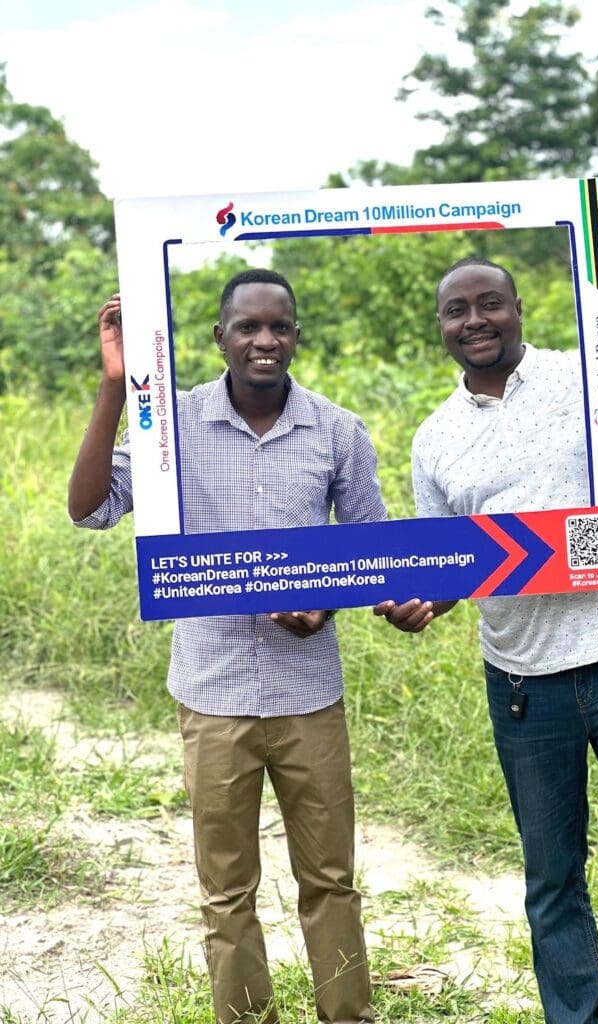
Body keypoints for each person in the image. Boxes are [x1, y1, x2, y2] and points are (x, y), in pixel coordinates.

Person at [374, 218, 598, 1024]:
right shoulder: (434, 439)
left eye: (490, 304)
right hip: (522, 687)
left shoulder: (593, 377)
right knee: (552, 879)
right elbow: (454, 565)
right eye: (456, 311)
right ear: (439, 328)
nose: (474, 320)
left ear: (519, 310)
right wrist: (422, 600)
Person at [69, 269, 384, 1024]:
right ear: (221, 338)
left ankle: (350, 1016)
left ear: (297, 336)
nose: (265, 340)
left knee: (331, 879)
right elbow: (89, 508)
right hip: (212, 696)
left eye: (279, 326)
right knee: (226, 890)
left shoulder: (338, 431)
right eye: (248, 326)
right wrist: (116, 387)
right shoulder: (166, 426)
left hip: (310, 692)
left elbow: (373, 551)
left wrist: (328, 600)